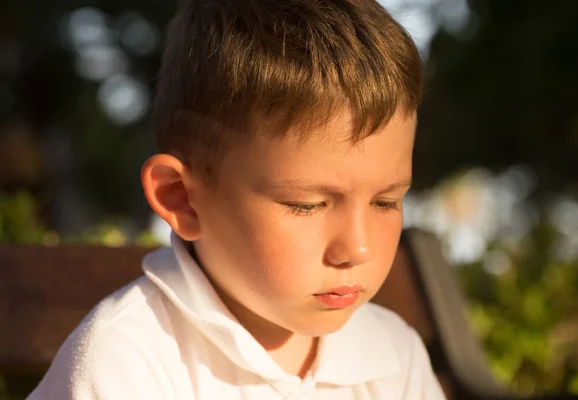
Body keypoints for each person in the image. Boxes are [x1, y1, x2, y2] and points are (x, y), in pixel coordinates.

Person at [29, 0, 446, 398]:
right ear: (182, 200)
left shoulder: (392, 354)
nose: (357, 248)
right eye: (307, 204)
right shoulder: (126, 361)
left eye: (386, 202)